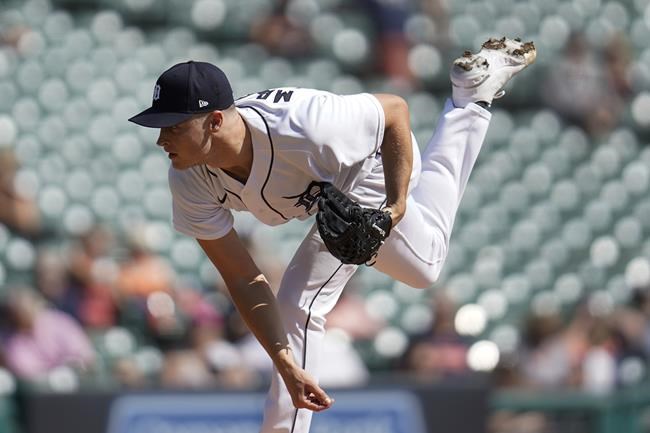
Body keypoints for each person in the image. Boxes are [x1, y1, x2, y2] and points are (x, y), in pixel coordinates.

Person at [128, 36, 536, 433]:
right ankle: (471, 100)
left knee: (298, 300)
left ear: (215, 121)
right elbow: (240, 277)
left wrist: (394, 208)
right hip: (330, 192)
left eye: (173, 127)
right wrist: (283, 359)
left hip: (375, 164)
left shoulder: (307, 124)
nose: (161, 139)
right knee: (425, 265)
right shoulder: (189, 179)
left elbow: (394, 111)